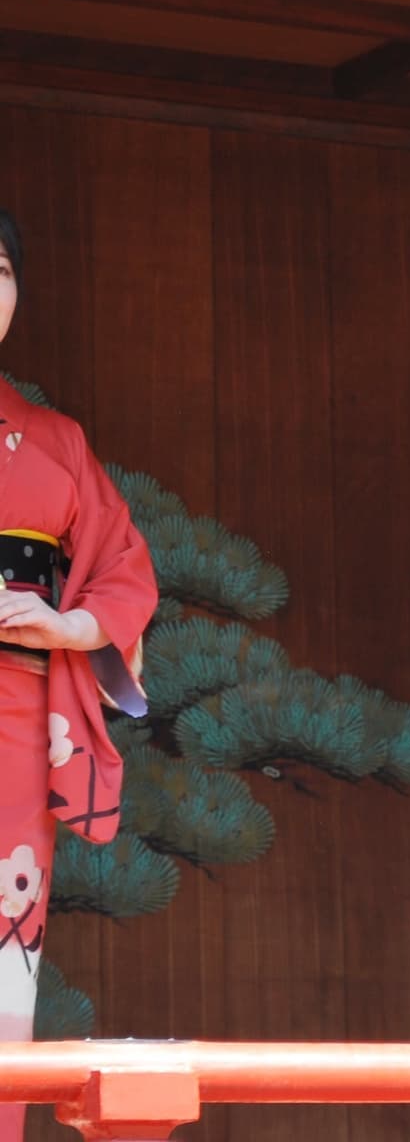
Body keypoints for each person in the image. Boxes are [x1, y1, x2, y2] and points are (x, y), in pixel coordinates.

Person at [0, 210, 156, 1142]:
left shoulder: (52, 439)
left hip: (14, 719)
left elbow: (124, 563)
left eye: (3, 268)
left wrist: (70, 624)